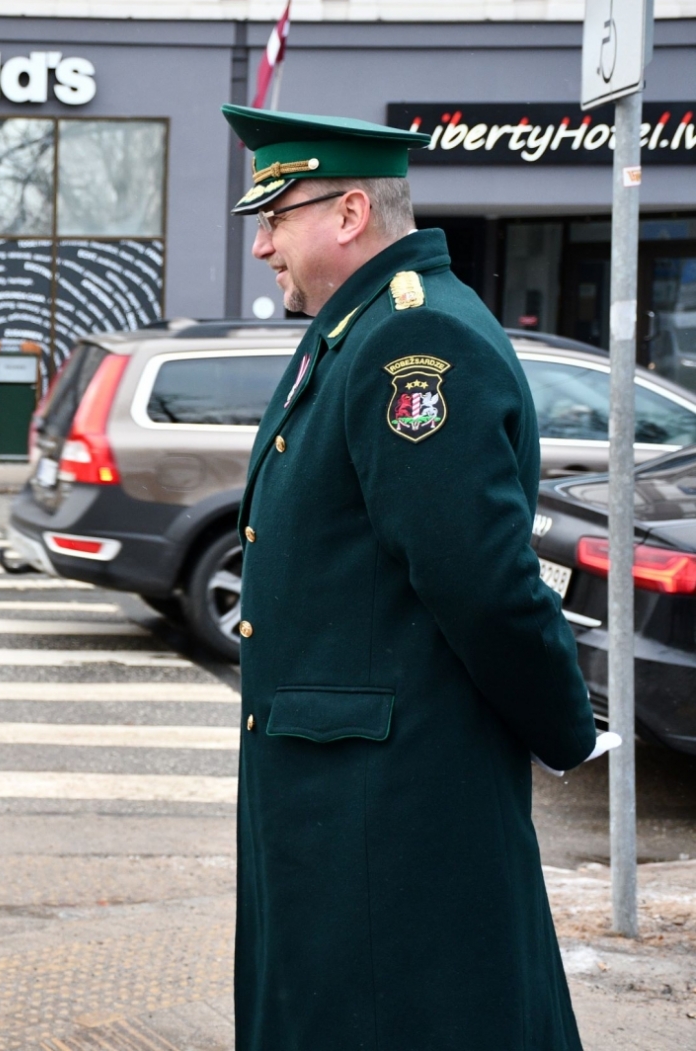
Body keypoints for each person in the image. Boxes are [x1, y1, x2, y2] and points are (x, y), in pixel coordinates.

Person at [221, 103, 601, 1051]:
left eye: (276, 217)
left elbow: (479, 577)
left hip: (385, 806)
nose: (262, 245)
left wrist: (567, 727)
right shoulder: (360, 326)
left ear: (350, 213)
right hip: (347, 797)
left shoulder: (413, 340)